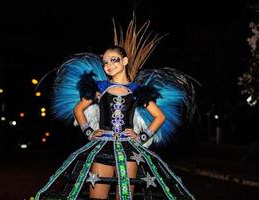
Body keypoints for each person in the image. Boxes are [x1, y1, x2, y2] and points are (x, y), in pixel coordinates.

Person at [35, 15, 197, 200]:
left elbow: (159, 117)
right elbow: (78, 110)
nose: (108, 66)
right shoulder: (100, 87)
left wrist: (142, 136)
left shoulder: (137, 90)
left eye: (114, 60)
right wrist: (88, 131)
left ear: (125, 61)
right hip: (102, 146)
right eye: (105, 62)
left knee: (125, 196)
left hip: (130, 150)